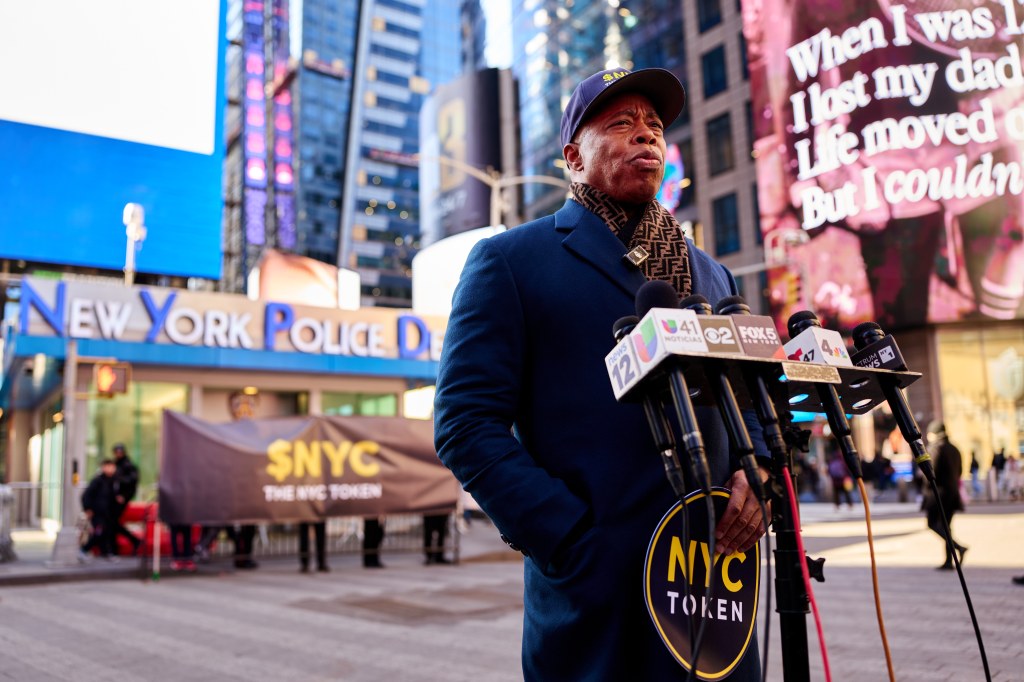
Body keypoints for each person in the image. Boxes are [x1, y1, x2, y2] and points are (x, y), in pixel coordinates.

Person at [434, 67, 769, 680]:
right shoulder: (510, 262)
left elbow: (746, 402)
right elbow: (464, 424)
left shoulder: (714, 276)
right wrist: (571, 539)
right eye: (621, 124)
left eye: (655, 126)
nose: (647, 136)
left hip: (718, 587)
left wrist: (758, 472)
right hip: (598, 601)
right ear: (572, 157)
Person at [923, 421, 967, 570]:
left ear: (934, 434)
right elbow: (960, 471)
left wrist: (924, 484)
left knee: (932, 523)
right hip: (953, 493)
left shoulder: (936, 448)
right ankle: (949, 561)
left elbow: (931, 472)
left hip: (938, 494)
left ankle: (958, 547)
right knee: (946, 527)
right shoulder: (955, 448)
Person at [80, 459, 120, 560]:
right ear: (103, 467)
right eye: (108, 466)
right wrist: (87, 508)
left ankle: (106, 553)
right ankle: (83, 550)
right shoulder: (97, 481)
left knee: (106, 532)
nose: (110, 469)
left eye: (112, 466)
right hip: (97, 513)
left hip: (107, 513)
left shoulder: (113, 481)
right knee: (99, 532)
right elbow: (86, 495)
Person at [110, 443, 142, 555]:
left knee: (112, 522)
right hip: (114, 499)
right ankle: (132, 541)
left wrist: (124, 496)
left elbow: (131, 482)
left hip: (121, 499)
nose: (118, 454)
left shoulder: (127, 465)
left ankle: (133, 541)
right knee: (111, 523)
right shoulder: (115, 464)